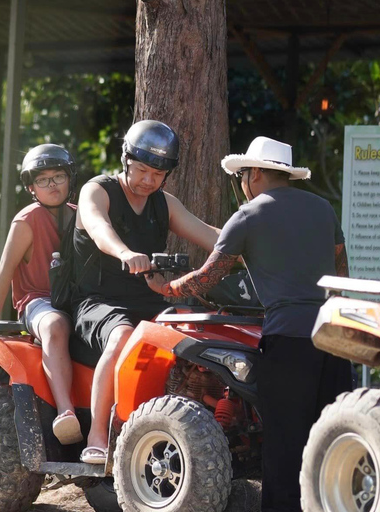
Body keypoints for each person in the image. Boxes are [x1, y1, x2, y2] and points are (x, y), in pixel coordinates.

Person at [145, 136, 352, 511]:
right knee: (331, 440)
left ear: (254, 173)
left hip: (288, 340)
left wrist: (169, 287)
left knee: (284, 444)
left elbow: (210, 276)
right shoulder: (324, 209)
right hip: (333, 338)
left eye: (242, 175)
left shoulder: (248, 215)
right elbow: (341, 268)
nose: (241, 183)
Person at [73, 120, 220, 464]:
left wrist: (250, 241)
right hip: (97, 301)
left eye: (157, 174)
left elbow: (212, 236)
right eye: (141, 170)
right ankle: (97, 436)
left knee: (199, 331)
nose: (148, 180)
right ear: (126, 161)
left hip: (151, 301)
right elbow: (98, 227)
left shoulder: (163, 203)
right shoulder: (97, 190)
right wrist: (124, 252)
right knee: (123, 336)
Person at [0, 144, 82, 445]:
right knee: (54, 325)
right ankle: (65, 412)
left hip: (77, 300)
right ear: (32, 187)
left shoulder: (82, 215)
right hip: (38, 300)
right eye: (43, 179)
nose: (52, 185)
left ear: (70, 179)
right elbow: (5, 268)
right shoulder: (27, 220)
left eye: (59, 176)